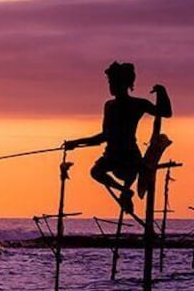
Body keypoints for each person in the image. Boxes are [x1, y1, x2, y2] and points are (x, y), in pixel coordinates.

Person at [64, 61, 172, 213]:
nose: (111, 86)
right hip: (112, 155)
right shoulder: (110, 105)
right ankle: (125, 192)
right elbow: (104, 136)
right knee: (96, 172)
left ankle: (125, 192)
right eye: (110, 83)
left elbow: (165, 112)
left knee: (104, 172)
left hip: (129, 156)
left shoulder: (138, 104)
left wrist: (162, 91)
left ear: (125, 84)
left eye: (114, 83)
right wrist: (76, 143)